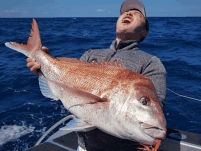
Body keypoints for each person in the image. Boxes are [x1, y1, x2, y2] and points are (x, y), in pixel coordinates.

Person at [26, 0, 167, 150]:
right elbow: (67, 86)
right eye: (125, 12)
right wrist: (44, 66)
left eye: (137, 13)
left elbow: (156, 106)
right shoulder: (91, 54)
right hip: (83, 146)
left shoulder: (150, 63)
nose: (128, 13)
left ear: (144, 31)